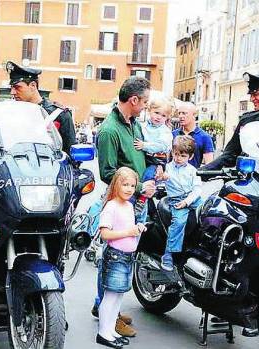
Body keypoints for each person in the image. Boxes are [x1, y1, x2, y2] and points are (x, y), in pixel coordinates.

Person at [93, 76, 156, 337]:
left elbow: (139, 154)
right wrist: (140, 188)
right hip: (123, 203)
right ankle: (105, 310)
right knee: (113, 259)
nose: (145, 107)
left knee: (124, 257)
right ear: (133, 100)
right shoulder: (109, 130)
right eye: (144, 102)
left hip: (135, 202)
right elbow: (108, 174)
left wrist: (156, 165)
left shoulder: (133, 124)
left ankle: (109, 308)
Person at [96, 167, 147, 349]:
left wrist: (138, 228)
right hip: (116, 256)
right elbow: (105, 234)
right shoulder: (111, 206)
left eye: (132, 186)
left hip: (127, 256)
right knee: (110, 296)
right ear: (116, 184)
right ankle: (103, 332)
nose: (129, 189)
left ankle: (111, 329)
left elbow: (129, 228)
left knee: (118, 296)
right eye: (125, 184)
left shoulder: (129, 206)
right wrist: (129, 232)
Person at [5, 61, 77, 154]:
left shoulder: (59, 114)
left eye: (17, 87)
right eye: (12, 88)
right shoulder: (10, 113)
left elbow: (70, 152)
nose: (12, 92)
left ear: (33, 86)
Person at [156, 135, 202, 271]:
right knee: (179, 223)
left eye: (182, 155)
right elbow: (164, 177)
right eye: (176, 154)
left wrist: (188, 201)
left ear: (190, 156)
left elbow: (198, 189)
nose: (178, 158)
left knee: (208, 216)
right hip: (176, 199)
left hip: (193, 199)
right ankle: (168, 254)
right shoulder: (168, 168)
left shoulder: (193, 171)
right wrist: (162, 177)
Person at [133, 95, 173, 181]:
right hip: (145, 157)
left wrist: (144, 146)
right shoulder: (143, 125)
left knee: (148, 176)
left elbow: (161, 145)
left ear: (167, 118)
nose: (159, 117)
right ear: (149, 111)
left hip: (157, 160)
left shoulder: (165, 131)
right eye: (156, 113)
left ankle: (145, 192)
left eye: (163, 116)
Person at [172, 102, 214, 168]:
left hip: (193, 176)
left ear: (194, 115)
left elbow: (209, 164)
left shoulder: (204, 137)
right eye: (179, 113)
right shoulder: (173, 134)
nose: (180, 116)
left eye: (184, 113)